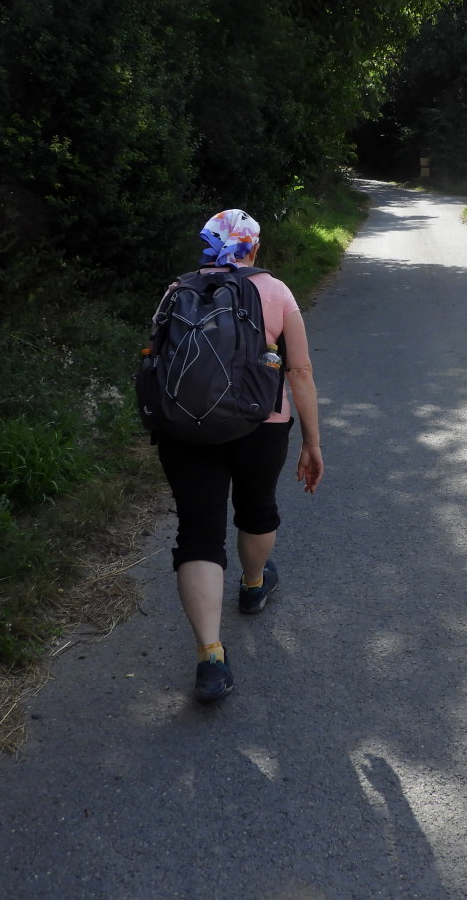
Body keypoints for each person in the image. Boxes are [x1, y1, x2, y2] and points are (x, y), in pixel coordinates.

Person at [153, 209, 323, 702]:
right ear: (253, 246)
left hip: (183, 429)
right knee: (255, 508)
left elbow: (157, 361)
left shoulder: (175, 290)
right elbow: (301, 372)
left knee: (198, 533)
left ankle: (210, 656)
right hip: (259, 426)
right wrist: (312, 442)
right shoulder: (276, 291)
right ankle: (252, 584)